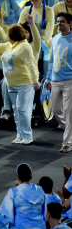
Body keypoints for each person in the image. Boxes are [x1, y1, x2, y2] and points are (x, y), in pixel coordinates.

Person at [0, 25, 39, 144]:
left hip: (25, 84)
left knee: (23, 109)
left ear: (12, 35)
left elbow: (31, 65)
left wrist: (35, 81)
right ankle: (20, 135)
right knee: (17, 111)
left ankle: (28, 136)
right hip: (11, 84)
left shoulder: (25, 47)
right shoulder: (10, 46)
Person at [0, 163, 47, 229]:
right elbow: (45, 214)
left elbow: (5, 216)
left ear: (18, 177)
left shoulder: (13, 192)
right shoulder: (40, 190)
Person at [46, 12, 72, 152]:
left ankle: (67, 143)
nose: (59, 23)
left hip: (69, 81)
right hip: (55, 80)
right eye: (58, 21)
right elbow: (51, 61)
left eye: (62, 21)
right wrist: (48, 78)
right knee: (56, 110)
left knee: (68, 112)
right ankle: (69, 129)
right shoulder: (55, 38)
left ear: (69, 23)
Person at [18, 0, 54, 73]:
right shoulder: (26, 10)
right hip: (29, 39)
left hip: (43, 40)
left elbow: (50, 29)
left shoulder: (49, 10)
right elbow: (19, 27)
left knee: (45, 52)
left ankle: (45, 76)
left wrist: (45, 41)